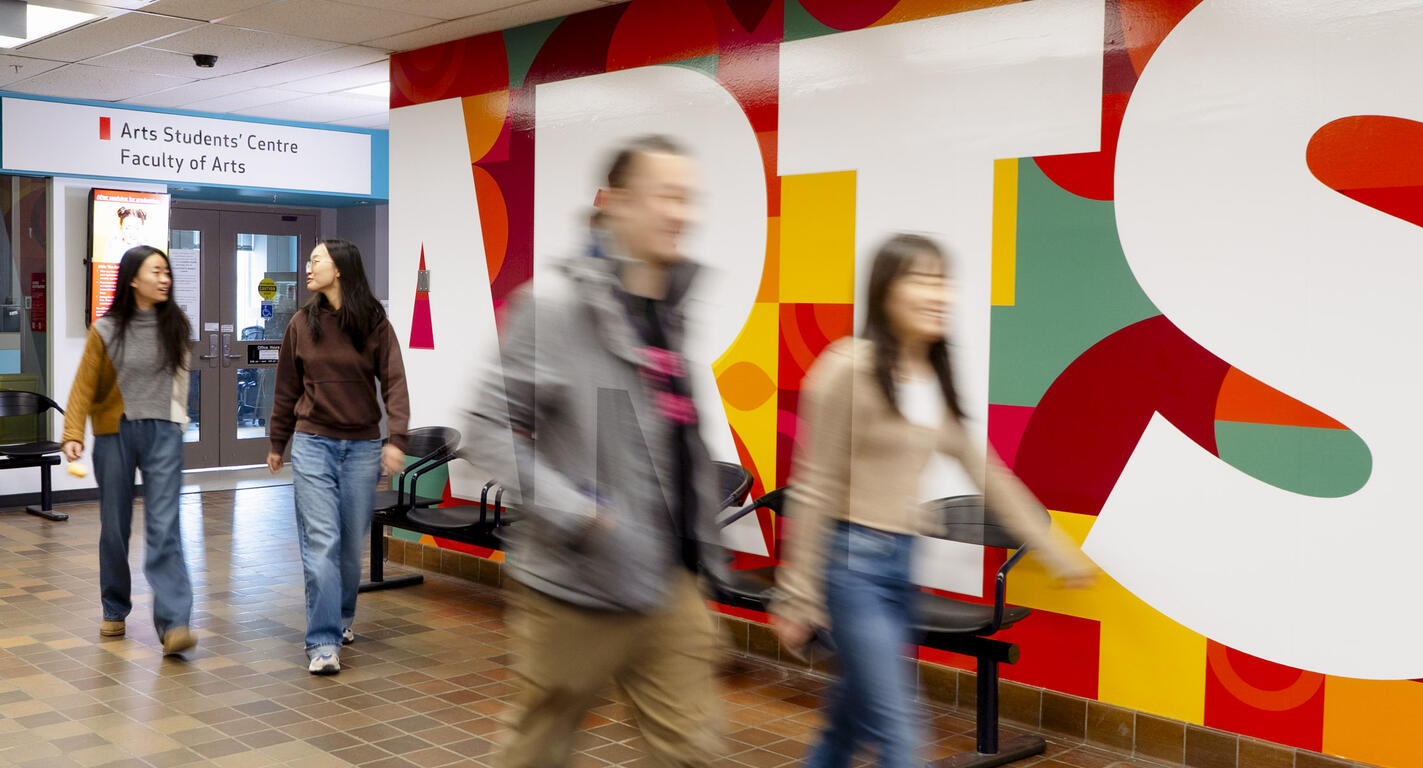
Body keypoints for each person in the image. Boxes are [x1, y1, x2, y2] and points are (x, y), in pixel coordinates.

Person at [770, 234, 1098, 768]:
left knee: (846, 726)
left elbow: (987, 473)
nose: (936, 292)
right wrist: (796, 595)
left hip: (900, 568)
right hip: (851, 568)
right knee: (903, 733)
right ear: (884, 292)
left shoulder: (931, 379)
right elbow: (815, 484)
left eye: (942, 279)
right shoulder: (848, 369)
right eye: (920, 279)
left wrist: (1056, 550)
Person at [461, 135, 729, 768]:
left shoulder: (671, 311)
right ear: (613, 204)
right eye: (665, 196)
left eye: (688, 199)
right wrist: (579, 514)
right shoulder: (552, 310)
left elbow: (673, 441)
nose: (680, 214)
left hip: (669, 583)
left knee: (693, 754)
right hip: (575, 587)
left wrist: (704, 548)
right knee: (538, 751)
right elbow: (487, 427)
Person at [266, 238, 411, 676]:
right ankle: (323, 640)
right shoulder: (300, 324)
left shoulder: (373, 323)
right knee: (322, 543)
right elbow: (287, 388)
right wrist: (278, 442)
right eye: (309, 259)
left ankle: (343, 619)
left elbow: (395, 383)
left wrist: (396, 439)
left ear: (341, 269)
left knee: (349, 548)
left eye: (316, 260)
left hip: (363, 448)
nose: (308, 267)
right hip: (313, 443)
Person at [62, 245, 198, 656]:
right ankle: (114, 607)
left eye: (167, 272)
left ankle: (174, 623)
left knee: (164, 526)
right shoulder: (105, 330)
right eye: (156, 271)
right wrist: (73, 432)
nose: (164, 279)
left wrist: (178, 422)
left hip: (164, 433)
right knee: (115, 525)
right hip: (115, 432)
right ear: (133, 278)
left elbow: (179, 382)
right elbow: (85, 384)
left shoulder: (176, 324)